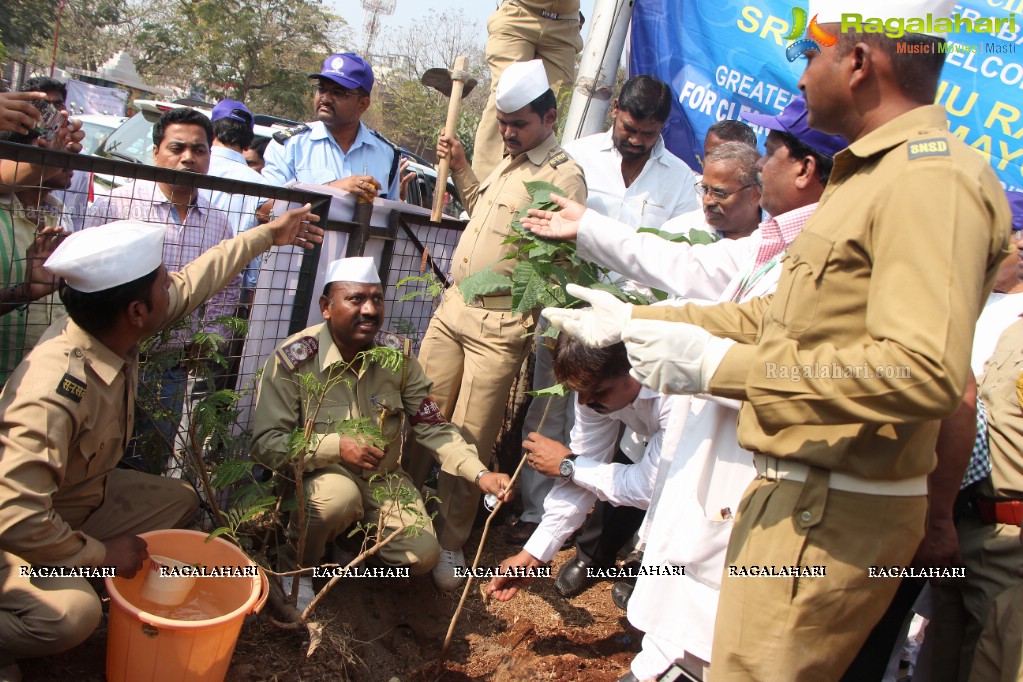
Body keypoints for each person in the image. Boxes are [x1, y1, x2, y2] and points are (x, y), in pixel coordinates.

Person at [540, 0, 1011, 676]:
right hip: (800, 501)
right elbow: (773, 321)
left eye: (806, 52)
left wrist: (716, 366)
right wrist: (639, 324)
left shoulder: (930, 180)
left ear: (855, 62)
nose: (797, 74)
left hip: (832, 514)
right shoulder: (872, 177)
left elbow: (918, 374)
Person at [523, 94, 844, 680]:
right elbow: (695, 274)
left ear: (803, 169)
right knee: (680, 606)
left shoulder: (831, 253)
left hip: (746, 463)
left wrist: (665, 347)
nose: (756, 166)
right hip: (708, 463)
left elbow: (784, 366)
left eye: (768, 155)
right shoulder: (775, 243)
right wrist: (594, 238)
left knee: (708, 616)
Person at [0, 204, 321, 680]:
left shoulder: (108, 328)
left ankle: (81, 573)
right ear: (136, 311)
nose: (170, 283)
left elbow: (196, 282)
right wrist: (103, 554)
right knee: (72, 616)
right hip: (17, 536)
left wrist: (266, 236)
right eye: (161, 281)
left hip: (75, 505)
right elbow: (17, 518)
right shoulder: (53, 391)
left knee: (178, 500)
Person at [404, 59, 586, 591]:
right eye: (504, 122)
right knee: (422, 416)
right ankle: (397, 524)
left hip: (501, 322)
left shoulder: (562, 175)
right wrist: (462, 166)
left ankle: (450, 543)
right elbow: (480, 210)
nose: (508, 132)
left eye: (519, 123)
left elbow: (554, 256)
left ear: (549, 117)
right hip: (454, 308)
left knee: (470, 436)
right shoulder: (510, 162)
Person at [507, 75, 699, 552]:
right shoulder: (578, 157)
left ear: (663, 129)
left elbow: (670, 257)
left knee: (629, 443)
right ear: (615, 110)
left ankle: (619, 545)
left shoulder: (680, 180)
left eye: (647, 134)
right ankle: (536, 516)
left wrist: (572, 466)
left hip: (637, 325)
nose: (635, 140)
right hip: (572, 315)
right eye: (629, 128)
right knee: (554, 412)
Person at [250, 257, 512, 601]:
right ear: (326, 307)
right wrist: (336, 446)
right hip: (318, 479)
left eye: (377, 298)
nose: (370, 310)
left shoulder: (396, 358)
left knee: (422, 556)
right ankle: (296, 570)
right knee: (335, 499)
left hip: (381, 481)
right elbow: (267, 444)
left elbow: (432, 426)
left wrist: (480, 475)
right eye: (356, 299)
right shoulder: (295, 361)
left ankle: (349, 546)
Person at [86, 107, 239, 473]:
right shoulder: (118, 204)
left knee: (147, 461)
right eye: (177, 148)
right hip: (109, 358)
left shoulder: (217, 222)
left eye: (199, 150)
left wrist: (209, 337)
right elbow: (89, 276)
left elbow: (226, 288)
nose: (188, 157)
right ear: (156, 152)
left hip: (169, 367)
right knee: (94, 456)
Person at [487, 335, 674, 602]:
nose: (584, 402)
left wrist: (569, 465)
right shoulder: (593, 391)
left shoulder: (678, 395)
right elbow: (587, 463)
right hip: (650, 445)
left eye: (598, 392)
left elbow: (649, 487)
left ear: (635, 368)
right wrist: (534, 554)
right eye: (579, 392)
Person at [261, 53, 400, 201]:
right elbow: (263, 208)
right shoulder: (289, 145)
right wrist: (334, 189)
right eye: (321, 89)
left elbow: (390, 218)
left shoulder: (387, 154)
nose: (325, 98)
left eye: (338, 93)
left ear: (363, 104)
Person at [472, 0, 583, 180]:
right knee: (505, 99)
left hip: (564, 24)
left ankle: (526, 187)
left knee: (549, 113)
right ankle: (482, 193)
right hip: (519, 13)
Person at [0, 127, 74, 384]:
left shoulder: (62, 214)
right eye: (54, 148)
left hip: (52, 376)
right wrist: (26, 291)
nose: (68, 159)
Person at [203, 98, 270, 293]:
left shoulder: (191, 168)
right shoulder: (261, 186)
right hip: (229, 287)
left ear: (211, 133)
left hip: (179, 280)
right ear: (248, 145)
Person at [20, 77, 91, 231]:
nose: (55, 113)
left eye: (58, 104)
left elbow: (77, 221)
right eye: (45, 106)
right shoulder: (18, 149)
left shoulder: (78, 160)